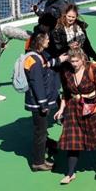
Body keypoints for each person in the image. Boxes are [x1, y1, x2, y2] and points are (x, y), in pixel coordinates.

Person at [54, 48, 96, 185]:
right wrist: (61, 109)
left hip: (92, 108)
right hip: (73, 108)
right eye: (72, 61)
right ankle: (70, 173)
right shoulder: (66, 72)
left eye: (76, 61)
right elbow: (65, 92)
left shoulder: (93, 69)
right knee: (72, 141)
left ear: (83, 59)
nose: (74, 64)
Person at [22, 31, 63, 171]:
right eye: (46, 39)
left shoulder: (35, 57)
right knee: (41, 132)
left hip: (36, 101)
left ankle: (40, 158)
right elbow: (37, 83)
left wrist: (58, 60)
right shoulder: (35, 60)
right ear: (40, 41)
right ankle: (38, 162)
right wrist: (43, 104)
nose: (48, 41)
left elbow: (45, 65)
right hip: (38, 103)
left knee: (41, 131)